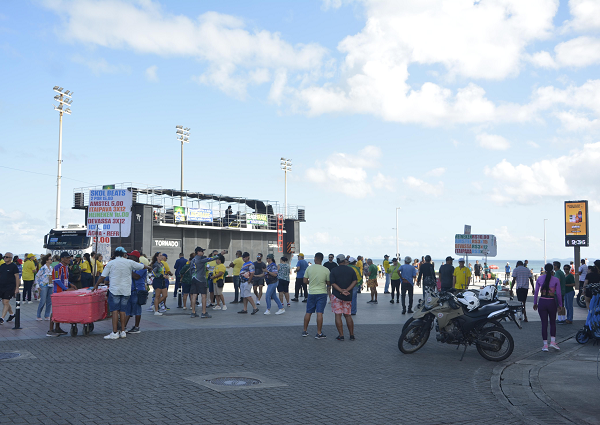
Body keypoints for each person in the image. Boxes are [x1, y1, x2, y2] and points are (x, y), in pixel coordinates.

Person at [94, 247, 146, 340]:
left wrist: (96, 285)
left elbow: (102, 277)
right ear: (124, 254)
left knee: (115, 311)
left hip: (115, 290)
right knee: (123, 311)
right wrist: (151, 267)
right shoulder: (129, 262)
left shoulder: (111, 263)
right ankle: (122, 332)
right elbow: (143, 266)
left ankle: (114, 332)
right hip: (126, 291)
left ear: (115, 254)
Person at [47, 252, 78, 336]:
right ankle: (50, 330)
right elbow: (56, 280)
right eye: (67, 258)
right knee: (55, 310)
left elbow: (65, 280)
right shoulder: (57, 267)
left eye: (69, 258)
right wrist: (66, 289)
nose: (69, 259)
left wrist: (71, 284)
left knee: (60, 310)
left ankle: (57, 328)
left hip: (64, 292)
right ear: (62, 259)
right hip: (58, 292)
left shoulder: (66, 267)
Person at [533, 263, 562, 351]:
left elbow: (536, 292)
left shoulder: (540, 278)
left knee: (544, 324)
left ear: (544, 269)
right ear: (553, 269)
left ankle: (545, 345)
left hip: (542, 301)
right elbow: (559, 294)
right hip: (551, 301)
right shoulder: (556, 280)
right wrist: (560, 305)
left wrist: (535, 303)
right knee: (553, 322)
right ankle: (553, 342)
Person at [329, 254, 357, 341]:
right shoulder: (351, 270)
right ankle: (351, 335)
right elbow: (355, 281)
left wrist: (341, 291)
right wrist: (347, 290)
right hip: (348, 296)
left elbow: (332, 283)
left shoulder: (333, 270)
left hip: (336, 295)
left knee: (338, 315)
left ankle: (341, 335)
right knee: (348, 315)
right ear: (344, 260)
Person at [190, 247, 223, 318]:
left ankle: (193, 312)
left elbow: (191, 270)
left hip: (194, 278)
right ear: (198, 252)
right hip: (201, 279)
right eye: (202, 251)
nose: (203, 253)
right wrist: (220, 254)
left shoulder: (192, 260)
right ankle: (204, 312)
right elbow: (211, 258)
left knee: (194, 295)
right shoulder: (200, 259)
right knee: (203, 295)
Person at [302, 252, 329, 338]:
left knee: (308, 312)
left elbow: (305, 281)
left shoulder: (309, 268)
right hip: (322, 293)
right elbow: (328, 283)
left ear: (315, 259)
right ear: (322, 259)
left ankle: (305, 331)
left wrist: (311, 282)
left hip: (312, 293)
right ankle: (319, 333)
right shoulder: (326, 270)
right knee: (319, 313)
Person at [123, 250, 147, 334]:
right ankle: (123, 327)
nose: (129, 258)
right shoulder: (132, 266)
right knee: (127, 310)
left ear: (135, 258)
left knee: (137, 309)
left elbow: (137, 276)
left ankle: (136, 327)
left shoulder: (141, 266)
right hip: (130, 290)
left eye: (131, 257)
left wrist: (128, 270)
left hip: (138, 291)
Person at [0, 252, 19, 325]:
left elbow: (17, 277)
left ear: (11, 258)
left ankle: (2, 318)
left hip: (10, 287)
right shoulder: (2, 266)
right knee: (5, 302)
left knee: (5, 302)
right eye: (4, 257)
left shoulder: (14, 266)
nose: (5, 258)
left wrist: (17, 288)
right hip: (2, 286)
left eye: (7, 257)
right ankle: (12, 314)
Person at [35, 254, 53, 321]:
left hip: (50, 285)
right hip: (44, 285)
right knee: (42, 301)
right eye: (50, 259)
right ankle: (38, 315)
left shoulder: (51, 268)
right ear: (47, 260)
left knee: (49, 301)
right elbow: (37, 276)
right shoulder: (43, 268)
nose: (51, 260)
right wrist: (37, 285)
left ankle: (47, 315)